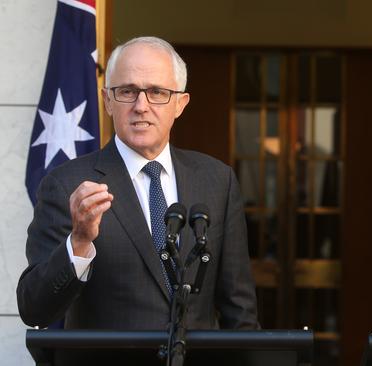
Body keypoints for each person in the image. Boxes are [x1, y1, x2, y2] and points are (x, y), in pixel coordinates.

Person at [17, 37, 259, 330]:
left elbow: (240, 312)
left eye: (157, 92)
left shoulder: (217, 181)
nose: (141, 106)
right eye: (127, 91)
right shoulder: (67, 184)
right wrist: (79, 241)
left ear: (180, 104)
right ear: (107, 100)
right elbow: (35, 309)